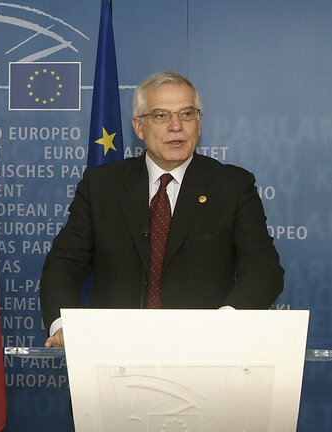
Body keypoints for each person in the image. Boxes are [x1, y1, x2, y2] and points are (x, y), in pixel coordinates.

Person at [40, 71, 284, 347]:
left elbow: (264, 270)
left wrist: (224, 324)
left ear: (199, 123)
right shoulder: (101, 186)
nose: (176, 126)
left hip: (204, 351)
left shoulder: (232, 186)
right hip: (114, 351)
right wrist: (62, 325)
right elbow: (65, 262)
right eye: (160, 115)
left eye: (187, 114)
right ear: (139, 127)